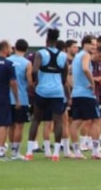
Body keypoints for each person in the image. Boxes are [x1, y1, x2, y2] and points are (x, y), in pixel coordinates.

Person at [25, 28, 69, 161]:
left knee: (37, 119)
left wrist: (35, 82)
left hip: (42, 91)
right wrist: (60, 83)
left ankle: (29, 152)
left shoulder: (41, 53)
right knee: (58, 120)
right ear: (57, 40)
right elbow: (65, 74)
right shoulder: (63, 55)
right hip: (57, 91)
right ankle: (56, 154)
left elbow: (34, 70)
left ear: (46, 39)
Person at [69, 35, 101, 160]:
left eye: (95, 45)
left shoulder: (76, 56)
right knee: (97, 120)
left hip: (76, 93)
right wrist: (92, 82)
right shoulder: (85, 55)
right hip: (86, 94)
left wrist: (74, 85)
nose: (94, 47)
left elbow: (69, 72)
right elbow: (85, 69)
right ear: (85, 44)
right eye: (92, 44)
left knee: (76, 122)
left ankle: (77, 151)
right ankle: (95, 151)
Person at [8, 39, 33, 160]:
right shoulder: (27, 63)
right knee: (19, 125)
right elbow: (29, 81)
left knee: (11, 125)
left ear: (14, 48)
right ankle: (15, 152)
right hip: (21, 97)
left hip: (8, 98)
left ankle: (12, 150)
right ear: (26, 49)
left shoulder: (8, 60)